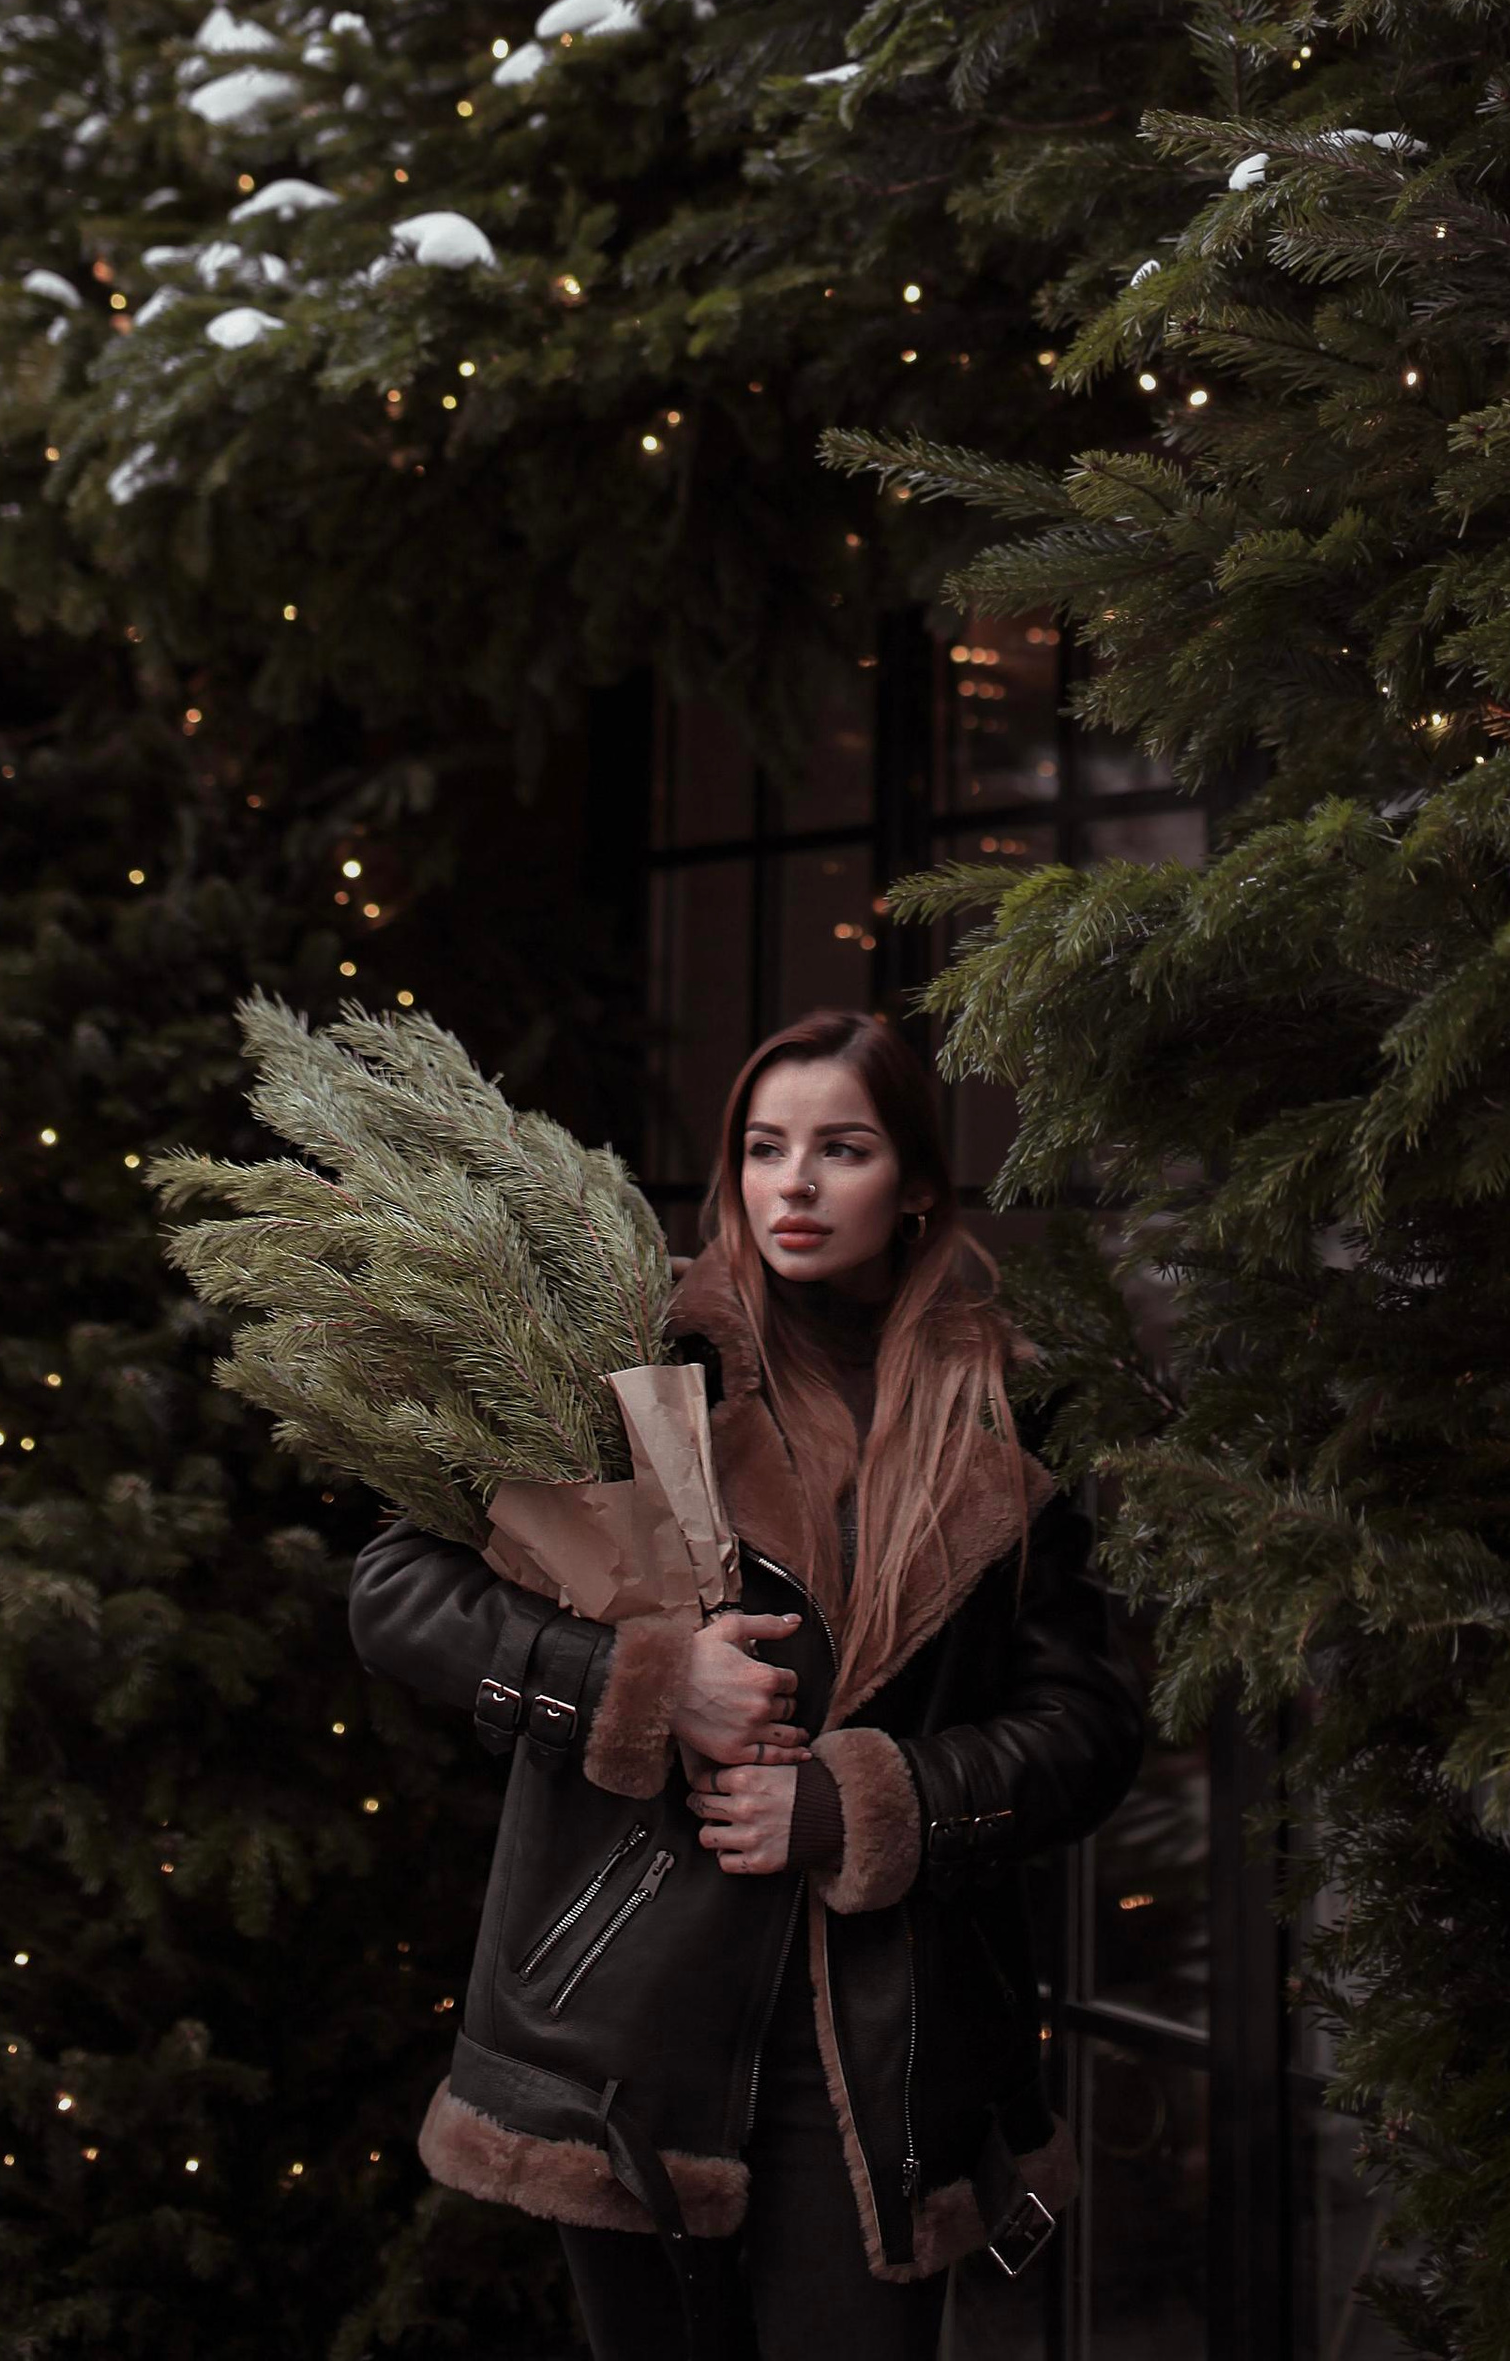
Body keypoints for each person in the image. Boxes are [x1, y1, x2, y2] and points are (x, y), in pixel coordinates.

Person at [349, 1006, 1143, 2361]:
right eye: (766, 1148)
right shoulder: (627, 1361)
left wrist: (852, 1808)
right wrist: (644, 1683)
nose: (797, 1182)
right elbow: (398, 1594)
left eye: (844, 1148)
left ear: (918, 1187)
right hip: (630, 2021)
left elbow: (1086, 1733)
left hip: (884, 2050)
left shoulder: (1009, 1415)